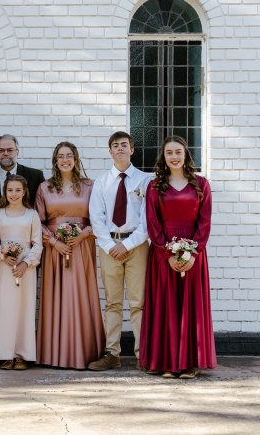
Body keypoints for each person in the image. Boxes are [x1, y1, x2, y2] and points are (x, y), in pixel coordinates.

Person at [139, 136, 216, 379]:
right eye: (169, 152)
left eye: (178, 152)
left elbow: (205, 221)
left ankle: (188, 363)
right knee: (165, 306)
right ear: (163, 157)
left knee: (190, 306)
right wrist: (167, 253)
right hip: (163, 254)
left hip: (194, 254)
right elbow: (152, 222)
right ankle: (164, 361)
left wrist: (193, 252)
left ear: (186, 154)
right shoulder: (155, 186)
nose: (174, 156)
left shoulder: (201, 184)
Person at [35, 142, 104, 370]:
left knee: (80, 295)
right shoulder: (45, 188)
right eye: (61, 156)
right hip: (55, 250)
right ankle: (54, 353)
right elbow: (38, 222)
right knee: (56, 296)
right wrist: (54, 242)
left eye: (69, 156)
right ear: (55, 161)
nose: (65, 160)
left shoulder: (89, 186)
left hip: (81, 247)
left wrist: (83, 235)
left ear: (76, 159)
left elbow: (99, 218)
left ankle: (83, 352)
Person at [88, 131, 151, 371]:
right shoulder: (102, 182)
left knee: (138, 302)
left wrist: (128, 244)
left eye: (124, 145)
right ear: (110, 151)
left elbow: (147, 219)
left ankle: (142, 355)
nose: (120, 149)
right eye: (115, 145)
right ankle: (111, 353)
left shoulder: (144, 181)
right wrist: (110, 245)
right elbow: (96, 217)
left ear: (132, 149)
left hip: (137, 246)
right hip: (109, 247)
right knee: (113, 302)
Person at [0, 175, 43, 370]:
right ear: (5, 192)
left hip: (26, 269)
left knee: (24, 308)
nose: (14, 194)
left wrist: (26, 263)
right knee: (5, 308)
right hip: (4, 268)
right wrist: (2, 256)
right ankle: (4, 354)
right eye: (10, 190)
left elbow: (37, 243)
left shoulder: (32, 215)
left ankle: (22, 354)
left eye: (18, 190)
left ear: (24, 192)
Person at [0, 134, 45, 208]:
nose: (5, 153)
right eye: (1, 150)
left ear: (17, 152)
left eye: (10, 150)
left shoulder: (36, 176)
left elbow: (42, 206)